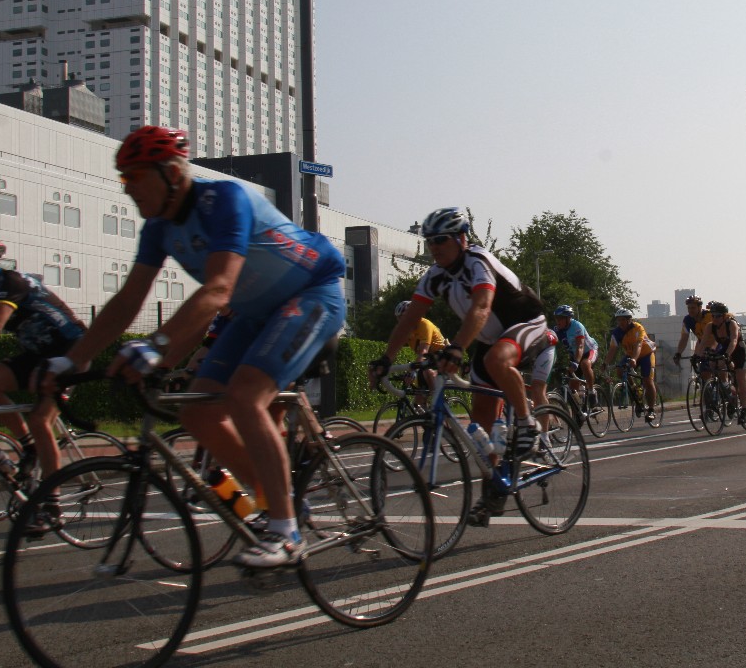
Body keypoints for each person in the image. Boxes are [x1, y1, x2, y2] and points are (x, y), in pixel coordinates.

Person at [42, 126, 347, 567]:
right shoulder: (158, 228)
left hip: (311, 292)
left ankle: (286, 533)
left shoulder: (224, 200)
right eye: (123, 178)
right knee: (198, 412)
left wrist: (157, 344)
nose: (127, 188)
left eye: (134, 177)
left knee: (245, 396)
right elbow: (129, 300)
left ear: (171, 173)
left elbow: (219, 289)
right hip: (255, 312)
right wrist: (73, 360)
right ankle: (277, 501)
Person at [369, 207, 547, 528]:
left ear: (461, 239)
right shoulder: (435, 275)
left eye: (441, 240)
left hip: (526, 322)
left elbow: (482, 306)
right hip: (491, 339)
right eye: (429, 241)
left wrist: (457, 348)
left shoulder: (477, 261)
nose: (434, 247)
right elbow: (410, 319)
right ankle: (493, 491)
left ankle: (527, 423)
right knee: (480, 424)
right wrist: (385, 359)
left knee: (495, 360)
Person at [0, 229, 86, 528]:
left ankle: (52, 505)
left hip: (71, 352)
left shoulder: (10, 282)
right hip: (38, 355)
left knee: (40, 419)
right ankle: (30, 447)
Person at [695, 301, 746, 425]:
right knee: (713, 365)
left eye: (718, 316)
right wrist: (696, 356)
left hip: (740, 350)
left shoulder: (731, 324)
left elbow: (733, 341)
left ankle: (744, 410)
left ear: (724, 316)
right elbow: (703, 342)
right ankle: (728, 394)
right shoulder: (710, 326)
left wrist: (726, 355)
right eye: (713, 316)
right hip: (725, 349)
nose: (715, 318)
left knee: (740, 378)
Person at [604, 308, 660, 424]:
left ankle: (651, 410)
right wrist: (605, 363)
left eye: (623, 320)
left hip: (646, 354)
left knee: (647, 380)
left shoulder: (638, 328)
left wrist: (634, 359)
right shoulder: (616, 332)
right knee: (620, 371)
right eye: (618, 320)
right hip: (630, 354)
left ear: (629, 320)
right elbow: (612, 349)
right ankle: (635, 389)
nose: (620, 323)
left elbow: (639, 345)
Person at [551, 304, 599, 401]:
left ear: (568, 319)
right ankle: (580, 403)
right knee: (572, 388)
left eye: (561, 318)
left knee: (585, 364)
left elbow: (580, 346)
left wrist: (576, 362)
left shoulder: (577, 326)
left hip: (589, 350)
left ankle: (591, 391)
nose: (558, 321)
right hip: (575, 354)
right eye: (557, 318)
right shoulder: (557, 330)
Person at [672, 295, 711, 367]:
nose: (690, 310)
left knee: (721, 366)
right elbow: (684, 338)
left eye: (693, 308)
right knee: (703, 370)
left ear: (700, 307)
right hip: (702, 345)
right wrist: (678, 353)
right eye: (688, 308)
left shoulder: (709, 315)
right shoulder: (687, 320)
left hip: (716, 343)